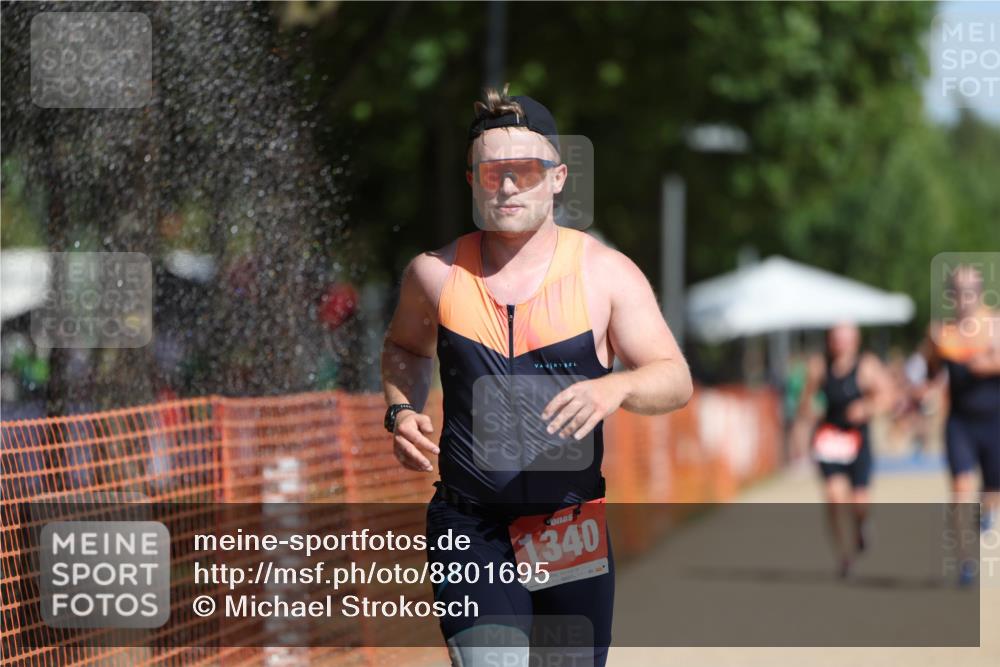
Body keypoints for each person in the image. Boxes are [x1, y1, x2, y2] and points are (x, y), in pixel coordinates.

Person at [380, 86, 692, 666]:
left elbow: (674, 378)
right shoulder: (433, 274)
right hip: (469, 524)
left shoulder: (605, 275)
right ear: (471, 179)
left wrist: (616, 385)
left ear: (557, 177)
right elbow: (404, 347)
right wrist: (401, 410)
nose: (507, 186)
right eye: (492, 172)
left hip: (568, 527)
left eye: (524, 170)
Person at [920, 264, 1000, 586]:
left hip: (995, 420)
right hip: (960, 423)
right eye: (958, 291)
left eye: (970, 291)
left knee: (993, 491)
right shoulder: (942, 332)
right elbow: (930, 371)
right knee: (960, 490)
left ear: (979, 293)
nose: (964, 298)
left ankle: (988, 511)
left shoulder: (994, 325)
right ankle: (966, 562)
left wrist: (986, 362)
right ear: (951, 295)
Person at [795, 323, 895, 578]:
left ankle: (862, 527)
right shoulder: (819, 366)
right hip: (829, 438)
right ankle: (844, 557)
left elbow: (888, 397)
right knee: (834, 497)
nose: (840, 343)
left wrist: (867, 408)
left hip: (858, 439)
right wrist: (809, 414)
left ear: (855, 340)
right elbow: (805, 403)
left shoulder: (867, 365)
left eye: (845, 337)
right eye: (836, 337)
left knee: (859, 502)